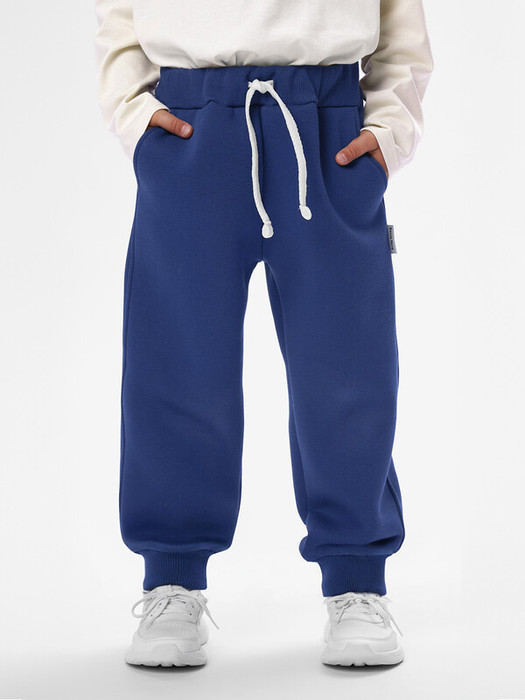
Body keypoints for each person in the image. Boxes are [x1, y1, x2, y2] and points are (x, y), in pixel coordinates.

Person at [94, 0, 434, 668]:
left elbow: (398, 17)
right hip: (189, 126)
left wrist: (389, 128)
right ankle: (171, 580)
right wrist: (134, 114)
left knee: (346, 367)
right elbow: (119, 11)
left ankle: (357, 583)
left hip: (327, 126)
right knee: (177, 365)